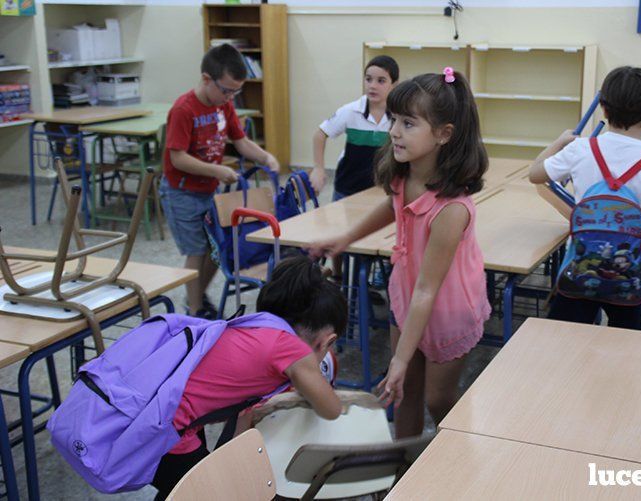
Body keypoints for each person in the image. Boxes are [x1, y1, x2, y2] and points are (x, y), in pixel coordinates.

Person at [309, 68, 491, 438]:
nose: (393, 131)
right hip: (407, 294)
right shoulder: (403, 173)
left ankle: (459, 451)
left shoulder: (452, 208)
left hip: (447, 308)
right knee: (403, 392)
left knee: (439, 400)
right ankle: (403, 469)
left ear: (444, 135)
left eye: (409, 123)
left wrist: (400, 359)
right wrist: (347, 237)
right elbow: (391, 207)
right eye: (394, 120)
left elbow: (430, 290)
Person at [150, 256, 344, 499]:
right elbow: (332, 409)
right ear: (328, 340)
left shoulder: (256, 328)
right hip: (164, 430)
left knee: (187, 486)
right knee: (206, 493)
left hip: (167, 414)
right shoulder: (293, 350)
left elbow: (240, 428)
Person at [529, 66, 641, 329]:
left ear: (604, 109)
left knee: (564, 335)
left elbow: (535, 174)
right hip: (630, 277)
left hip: (580, 269)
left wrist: (559, 142)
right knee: (623, 341)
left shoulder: (580, 149)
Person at [160, 43, 280, 319]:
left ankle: (197, 296)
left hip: (208, 190)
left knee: (217, 248)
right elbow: (177, 158)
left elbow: (240, 141)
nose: (230, 97)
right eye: (227, 90)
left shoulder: (223, 105)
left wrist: (265, 157)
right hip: (183, 193)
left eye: (235, 92)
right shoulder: (184, 109)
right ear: (206, 79)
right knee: (196, 251)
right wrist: (216, 172)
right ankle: (194, 310)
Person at [310, 55, 399, 199]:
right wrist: (318, 168)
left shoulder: (399, 115)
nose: (372, 86)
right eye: (368, 79)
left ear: (394, 85)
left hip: (382, 191)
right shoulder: (350, 111)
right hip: (346, 189)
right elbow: (320, 134)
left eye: (381, 81)